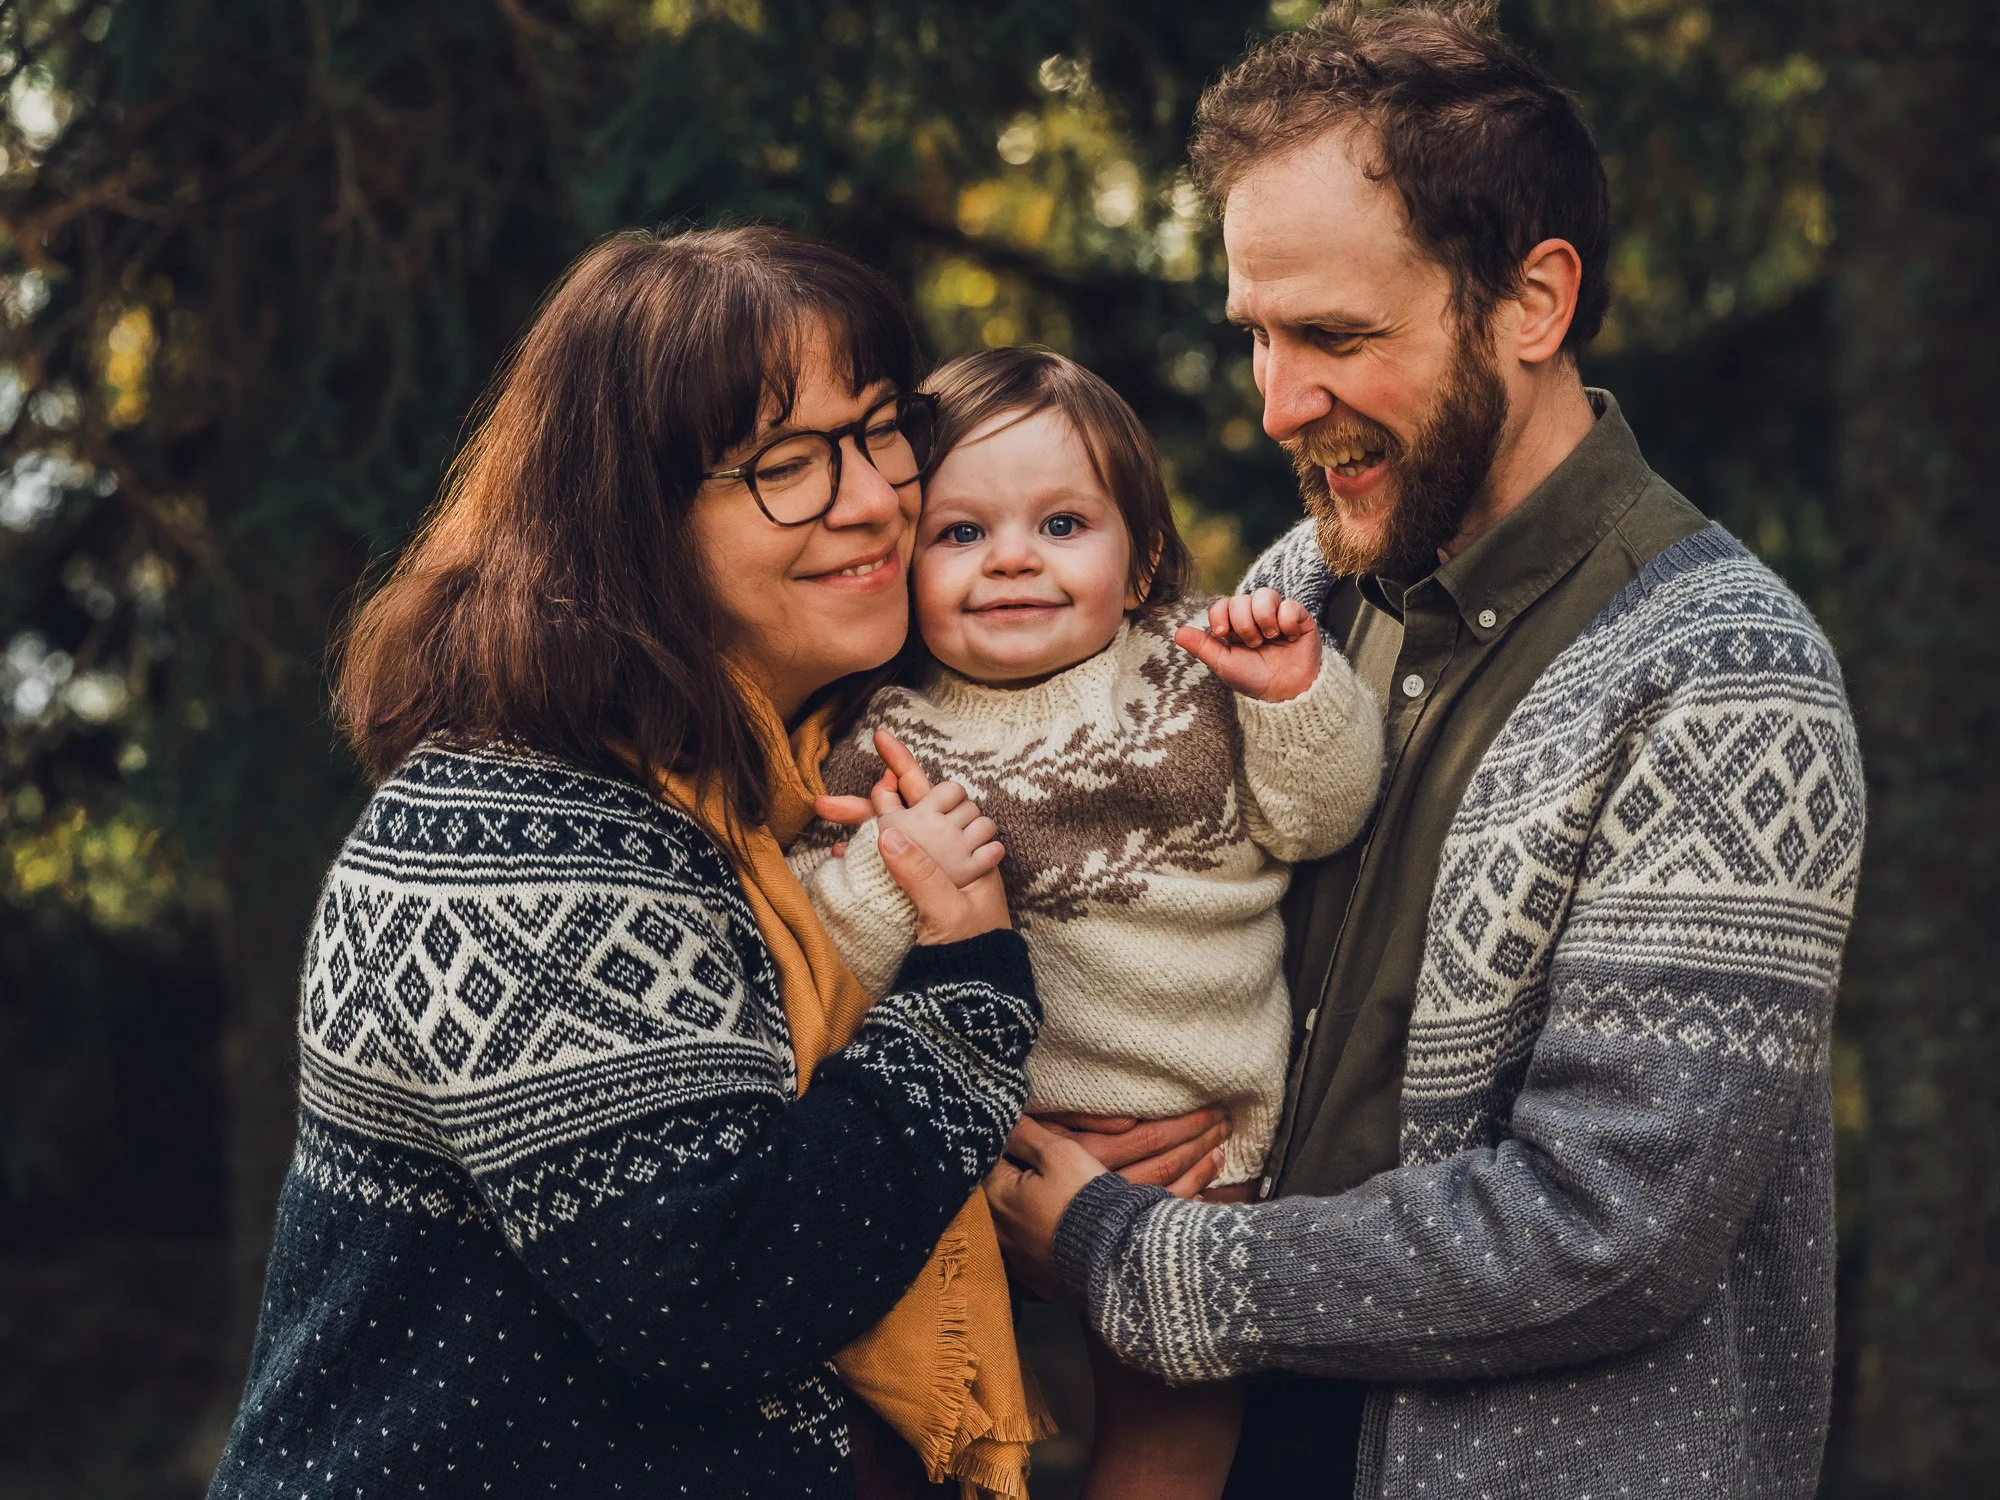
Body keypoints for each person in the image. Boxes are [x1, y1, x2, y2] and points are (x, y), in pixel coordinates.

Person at [985, 7, 1865, 1500]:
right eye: (1258, 336)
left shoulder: (1726, 679)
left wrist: (1135, 1253)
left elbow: (1608, 1235)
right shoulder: (1302, 586)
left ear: (1532, 301)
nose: (1277, 403)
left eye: (1336, 337)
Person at [202, 225, 1216, 1500]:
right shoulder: (523, 831)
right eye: (782, 465)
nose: (869, 496)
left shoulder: (789, 784)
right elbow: (710, 1289)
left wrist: (1054, 1169)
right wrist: (967, 999)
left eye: (878, 428)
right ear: (628, 524)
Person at [790, 347, 1384, 1498]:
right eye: (959, 535)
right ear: (903, 565)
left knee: (1169, 1419)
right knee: (892, 1396)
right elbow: (823, 958)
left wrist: (1297, 700)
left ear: (1142, 555)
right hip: (960, 1160)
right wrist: (883, 876)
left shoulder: (1197, 674)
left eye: (1060, 525)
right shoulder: (887, 733)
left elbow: (1316, 820)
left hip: (1193, 1150)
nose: (1010, 558)